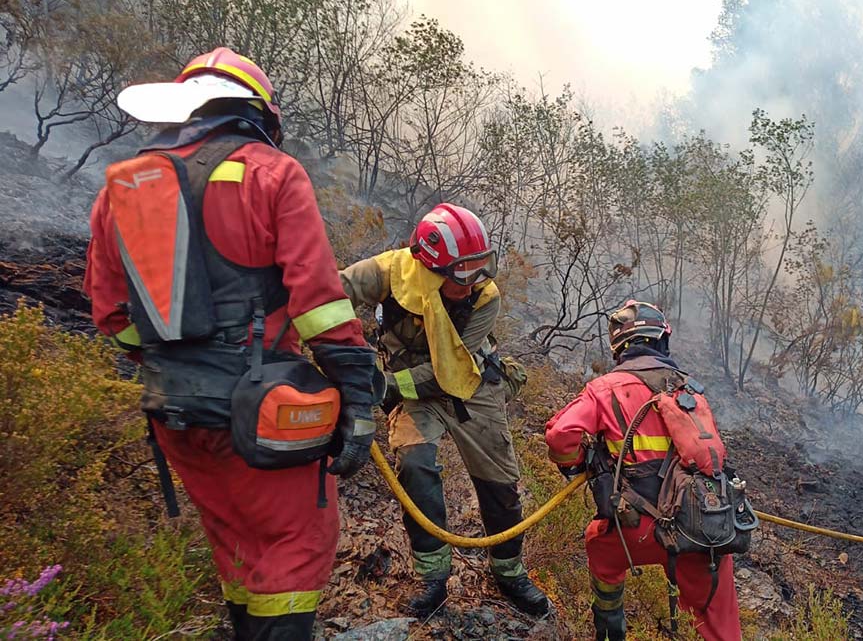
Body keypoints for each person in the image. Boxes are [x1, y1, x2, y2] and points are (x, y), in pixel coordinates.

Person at [85, 47, 380, 639]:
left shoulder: (125, 188)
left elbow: (110, 316)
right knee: (293, 548)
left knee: (235, 544)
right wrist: (357, 397)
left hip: (176, 411)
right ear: (257, 112)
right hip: (262, 414)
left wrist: (176, 359)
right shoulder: (271, 172)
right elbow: (319, 302)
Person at [338, 203, 549, 618]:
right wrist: (347, 356)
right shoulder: (388, 272)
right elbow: (326, 295)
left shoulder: (485, 297)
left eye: (482, 267)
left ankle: (508, 572)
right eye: (465, 272)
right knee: (415, 466)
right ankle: (433, 577)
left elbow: (448, 371)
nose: (476, 282)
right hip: (412, 393)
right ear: (431, 268)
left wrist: (385, 386)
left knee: (499, 482)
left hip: (471, 384)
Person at [545, 301, 742, 641]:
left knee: (598, 544)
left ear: (619, 348)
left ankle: (610, 631)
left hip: (635, 530)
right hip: (699, 528)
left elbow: (560, 435)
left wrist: (576, 463)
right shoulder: (690, 391)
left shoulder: (604, 389)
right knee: (718, 602)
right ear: (662, 341)